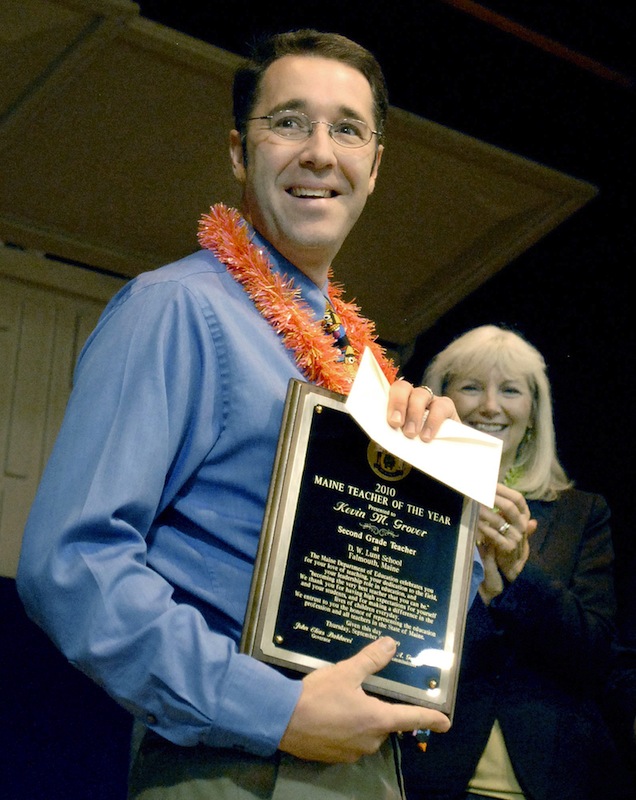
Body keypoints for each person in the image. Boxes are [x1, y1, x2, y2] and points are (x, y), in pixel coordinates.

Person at [16, 29, 471, 800]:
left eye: (348, 129)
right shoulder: (174, 310)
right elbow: (74, 564)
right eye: (289, 122)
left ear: (376, 165)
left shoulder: (362, 366)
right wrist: (276, 711)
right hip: (237, 764)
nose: (321, 152)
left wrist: (466, 521)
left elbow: (392, 584)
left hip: (366, 769)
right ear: (238, 151)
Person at [399, 324, 634, 800]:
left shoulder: (581, 514)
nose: (490, 405)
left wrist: (517, 576)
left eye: (510, 390)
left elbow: (593, 656)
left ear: (533, 414)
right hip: (426, 776)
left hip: (560, 778)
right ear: (442, 400)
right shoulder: (406, 503)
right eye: (470, 387)